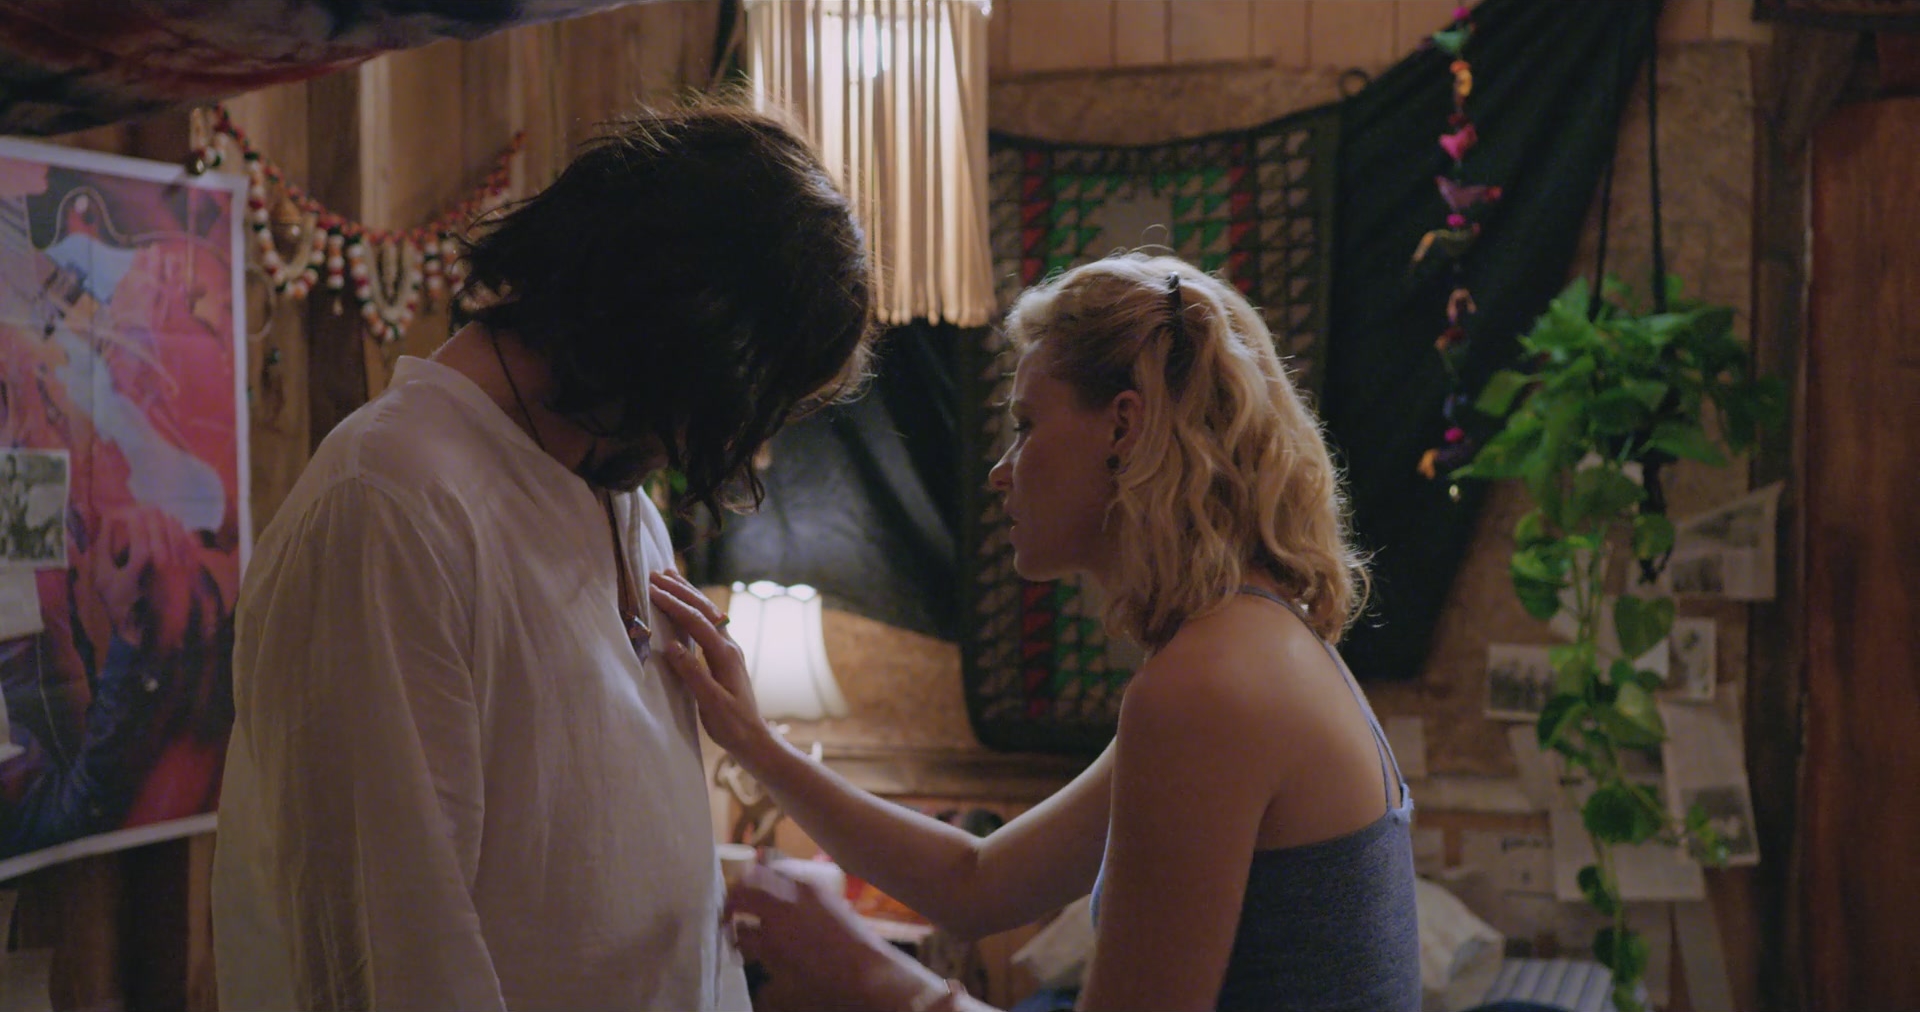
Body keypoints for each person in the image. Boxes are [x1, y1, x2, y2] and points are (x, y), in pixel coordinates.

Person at [211, 105, 876, 1011]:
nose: (723, 443)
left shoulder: (619, 498)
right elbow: (398, 944)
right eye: (740, 402)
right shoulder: (393, 500)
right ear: (675, 334)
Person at [650, 252, 1421, 1012]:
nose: (1001, 470)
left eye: (1025, 426)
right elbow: (975, 883)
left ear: (1124, 426)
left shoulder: (1207, 687)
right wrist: (756, 744)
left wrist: (862, 971)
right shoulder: (1254, 642)